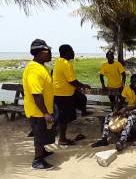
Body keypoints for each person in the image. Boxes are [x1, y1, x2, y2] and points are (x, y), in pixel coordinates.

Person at [23, 39, 55, 169]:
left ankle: (43, 152)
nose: (51, 54)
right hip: (38, 111)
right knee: (39, 134)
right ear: (42, 53)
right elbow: (36, 95)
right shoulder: (34, 70)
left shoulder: (42, 67)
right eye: (49, 52)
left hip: (43, 109)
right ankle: (37, 161)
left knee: (44, 134)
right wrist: (45, 113)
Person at [91, 74, 136, 151]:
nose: (135, 83)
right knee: (108, 117)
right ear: (130, 81)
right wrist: (116, 110)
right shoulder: (127, 88)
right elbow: (121, 101)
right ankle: (104, 139)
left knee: (130, 119)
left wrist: (126, 109)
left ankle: (121, 141)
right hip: (128, 109)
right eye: (133, 81)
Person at [52, 44, 91, 145]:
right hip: (63, 94)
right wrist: (83, 86)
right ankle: (62, 139)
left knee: (81, 98)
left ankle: (83, 111)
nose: (73, 53)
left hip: (61, 93)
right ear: (66, 52)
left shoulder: (58, 62)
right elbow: (72, 81)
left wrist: (78, 88)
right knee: (63, 117)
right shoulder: (66, 64)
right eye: (72, 51)